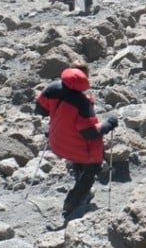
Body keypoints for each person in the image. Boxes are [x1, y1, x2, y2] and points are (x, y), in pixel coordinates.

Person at [35, 67, 117, 219]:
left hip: (57, 141)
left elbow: (40, 110)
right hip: (79, 148)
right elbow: (91, 133)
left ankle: (78, 175)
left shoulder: (52, 89)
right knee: (93, 167)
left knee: (76, 157)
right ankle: (72, 202)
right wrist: (110, 123)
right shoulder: (82, 103)